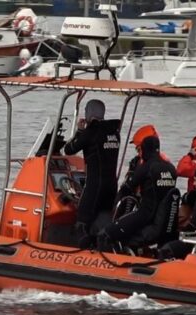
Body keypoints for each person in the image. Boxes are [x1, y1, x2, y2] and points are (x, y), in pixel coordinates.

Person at [98, 133, 177, 251]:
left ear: (145, 149)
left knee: (105, 234)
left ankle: (106, 263)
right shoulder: (171, 168)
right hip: (163, 219)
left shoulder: (146, 166)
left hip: (145, 215)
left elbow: (128, 187)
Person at [63, 99, 121, 248]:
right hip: (111, 186)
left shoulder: (91, 132)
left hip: (95, 185)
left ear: (88, 114)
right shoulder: (114, 133)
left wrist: (80, 131)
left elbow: (69, 149)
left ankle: (81, 254)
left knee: (82, 221)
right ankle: (104, 247)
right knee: (103, 219)